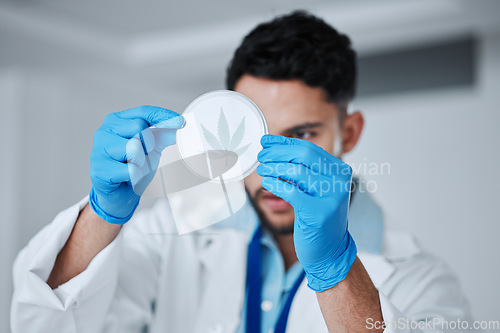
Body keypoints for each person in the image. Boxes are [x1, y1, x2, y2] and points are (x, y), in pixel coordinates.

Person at [11, 11, 472, 333]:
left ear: (348, 134)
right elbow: (46, 323)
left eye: (301, 134)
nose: (267, 166)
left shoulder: (421, 279)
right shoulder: (169, 238)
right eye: (257, 137)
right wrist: (103, 212)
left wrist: (336, 269)